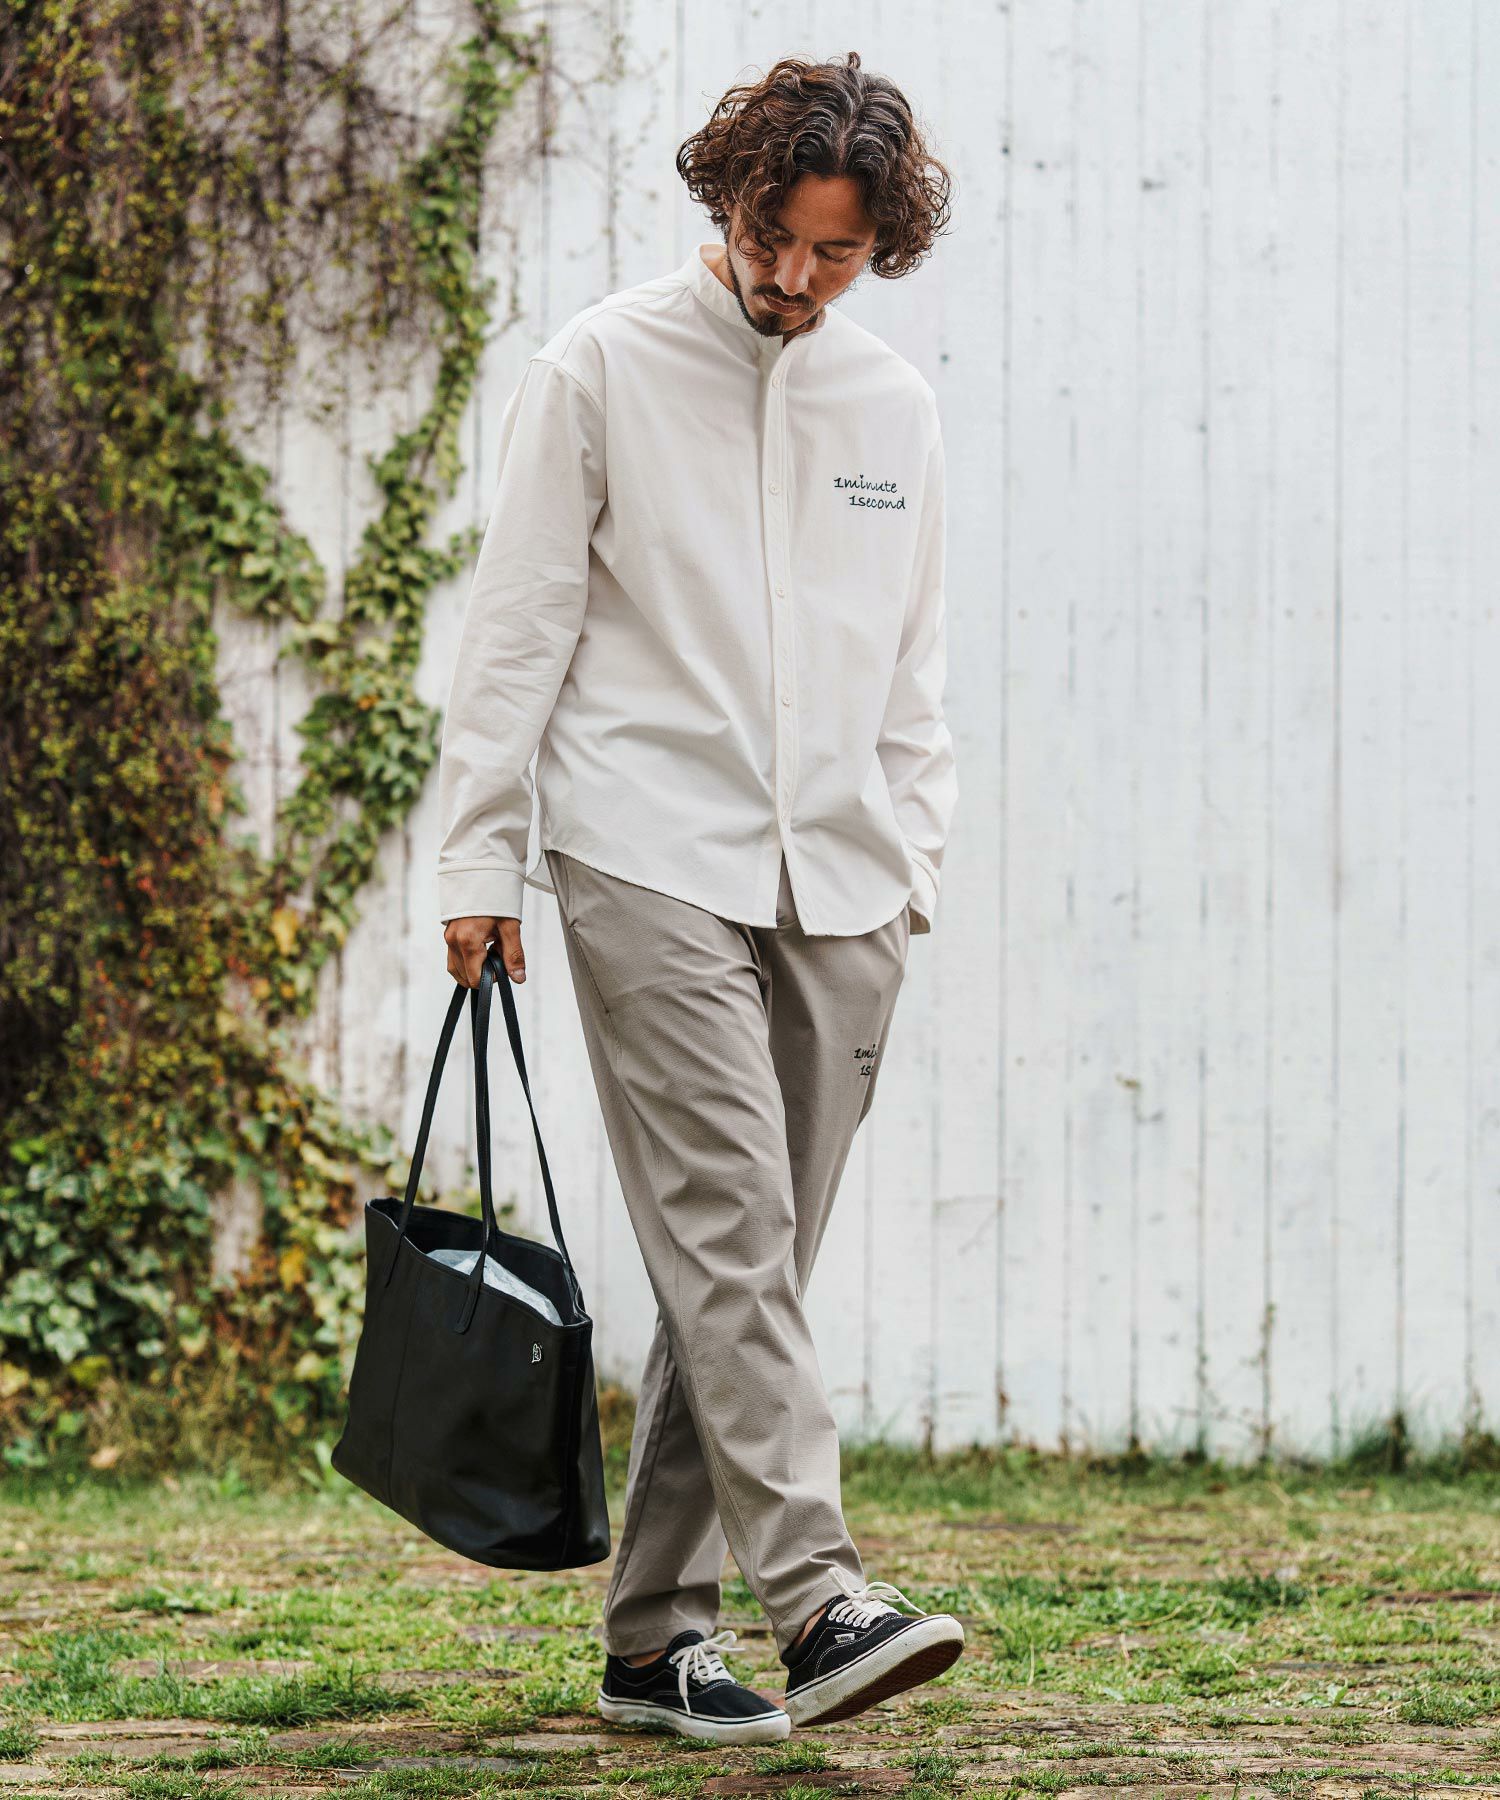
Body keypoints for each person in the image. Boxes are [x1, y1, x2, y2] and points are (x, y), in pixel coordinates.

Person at [435, 49, 961, 1741]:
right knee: (733, 1232)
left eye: (834, 252)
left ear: (879, 243)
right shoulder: (599, 366)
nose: (792, 275)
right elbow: (516, 627)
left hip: (845, 887)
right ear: (727, 198)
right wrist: (478, 853)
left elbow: (912, 675)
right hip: (645, 852)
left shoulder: (891, 408)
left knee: (735, 1273)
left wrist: (913, 868)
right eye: (768, 235)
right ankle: (820, 1601)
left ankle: (653, 1640)